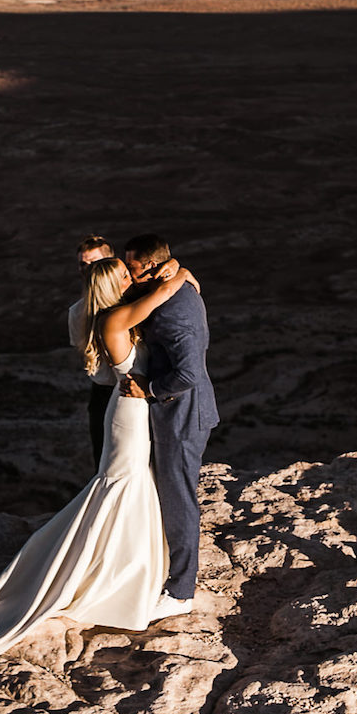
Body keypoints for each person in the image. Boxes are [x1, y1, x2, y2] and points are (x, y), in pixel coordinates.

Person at [0, 258, 195, 673]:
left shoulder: (114, 313)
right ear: (114, 286)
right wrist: (181, 272)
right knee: (122, 482)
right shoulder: (115, 318)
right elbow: (165, 292)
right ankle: (107, 570)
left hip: (135, 409)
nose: (133, 278)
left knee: (131, 482)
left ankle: (124, 562)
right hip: (130, 415)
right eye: (125, 275)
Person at [116, 234, 217, 623]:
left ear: (156, 268)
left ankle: (180, 592)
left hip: (181, 414)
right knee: (171, 492)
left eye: (134, 270)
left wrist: (150, 389)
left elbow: (189, 372)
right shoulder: (170, 288)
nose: (129, 275)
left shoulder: (175, 309)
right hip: (177, 413)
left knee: (178, 498)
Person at [66, 235, 118, 461]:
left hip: (139, 389)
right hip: (104, 391)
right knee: (103, 458)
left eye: (94, 263)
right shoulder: (77, 313)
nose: (87, 269)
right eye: (82, 264)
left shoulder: (131, 300)